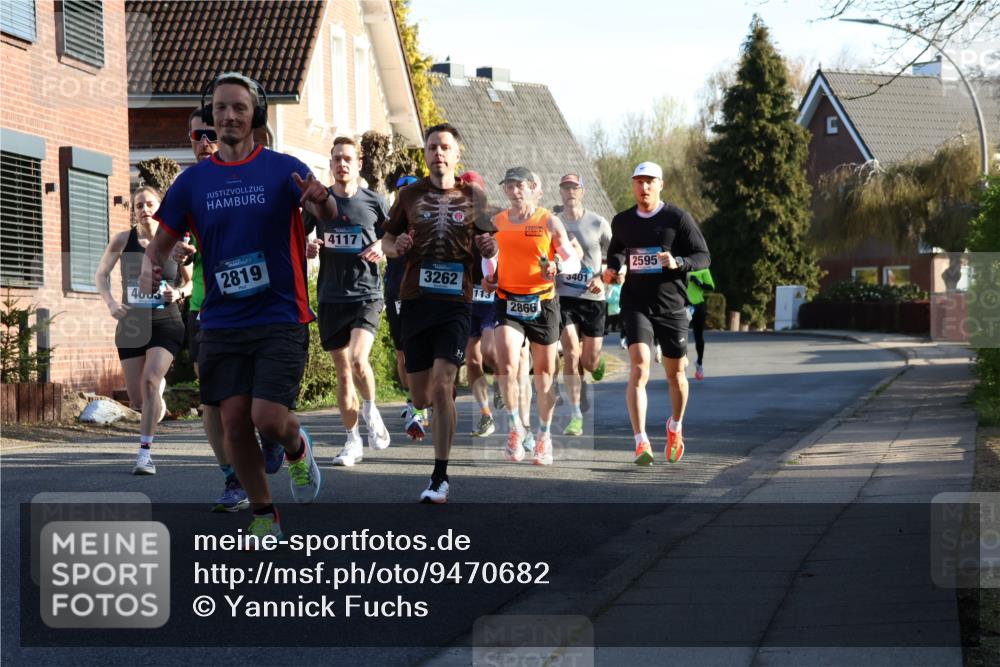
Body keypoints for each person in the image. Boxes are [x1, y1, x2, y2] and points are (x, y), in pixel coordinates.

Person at [143, 71, 336, 538]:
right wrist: (152, 264)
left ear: (256, 117)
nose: (227, 116)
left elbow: (326, 214)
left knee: (267, 418)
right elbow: (161, 241)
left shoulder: (282, 168)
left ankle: (295, 448)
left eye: (238, 108)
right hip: (223, 319)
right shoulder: (193, 182)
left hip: (279, 314)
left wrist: (322, 200)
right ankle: (263, 513)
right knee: (233, 423)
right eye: (220, 108)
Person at [381, 123, 496, 503]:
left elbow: (490, 245)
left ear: (456, 154)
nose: (438, 153)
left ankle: (440, 477)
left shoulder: (474, 197)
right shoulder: (410, 196)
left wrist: (488, 246)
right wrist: (398, 245)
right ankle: (433, 417)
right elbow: (387, 241)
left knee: (444, 383)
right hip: (416, 300)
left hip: (455, 304)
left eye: (445, 147)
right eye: (432, 147)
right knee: (421, 395)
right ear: (426, 154)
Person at [603, 162, 710, 466]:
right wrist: (613, 267)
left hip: (672, 306)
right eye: (638, 181)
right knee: (639, 368)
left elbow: (703, 256)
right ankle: (641, 442)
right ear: (633, 185)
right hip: (636, 303)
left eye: (650, 181)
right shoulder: (622, 221)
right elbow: (618, 250)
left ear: (660, 184)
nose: (644, 187)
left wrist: (678, 261)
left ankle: (675, 426)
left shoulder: (677, 218)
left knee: (676, 375)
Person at [178, 107, 256, 512]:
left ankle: (276, 437)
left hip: (254, 302)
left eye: (211, 133)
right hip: (205, 305)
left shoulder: (246, 177)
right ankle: (232, 479)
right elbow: (172, 240)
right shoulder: (186, 186)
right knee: (212, 400)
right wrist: (177, 251)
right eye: (197, 136)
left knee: (255, 401)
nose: (205, 142)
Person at [484, 167, 580, 467]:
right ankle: (515, 428)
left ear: (531, 187)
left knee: (543, 377)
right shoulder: (497, 222)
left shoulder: (548, 221)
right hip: (507, 300)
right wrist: (489, 276)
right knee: (508, 365)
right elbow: (491, 260)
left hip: (543, 302)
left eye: (519, 185)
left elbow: (572, 260)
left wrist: (557, 268)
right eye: (509, 186)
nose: (514, 191)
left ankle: (544, 435)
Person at [305, 137, 391, 467]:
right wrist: (308, 248)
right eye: (337, 158)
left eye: (348, 158)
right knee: (343, 374)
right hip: (330, 296)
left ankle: (370, 409)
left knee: (357, 360)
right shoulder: (318, 202)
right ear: (331, 164)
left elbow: (393, 236)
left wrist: (382, 246)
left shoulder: (374, 201)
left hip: (366, 293)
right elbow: (299, 238)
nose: (342, 163)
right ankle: (352, 441)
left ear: (358, 164)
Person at [96, 186, 190, 475]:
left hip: (166, 323)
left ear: (159, 206)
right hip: (132, 325)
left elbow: (191, 282)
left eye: (150, 204)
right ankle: (154, 399)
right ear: (133, 210)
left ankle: (144, 454)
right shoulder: (123, 240)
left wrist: (180, 293)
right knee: (139, 399)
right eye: (139, 205)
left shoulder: (175, 240)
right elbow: (101, 274)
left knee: (149, 381)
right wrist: (111, 302)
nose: (145, 209)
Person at [555, 173, 612, 436]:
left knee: (587, 361)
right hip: (564, 296)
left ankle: (594, 367)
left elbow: (616, 258)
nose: (570, 192)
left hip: (593, 298)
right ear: (560, 191)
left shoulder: (598, 222)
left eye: (574, 188)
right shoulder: (553, 222)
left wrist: (604, 279)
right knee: (570, 353)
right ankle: (575, 415)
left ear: (582, 191)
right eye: (565, 188)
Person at [460, 170, 499, 438]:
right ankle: (485, 413)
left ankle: (503, 380)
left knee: (489, 351)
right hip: (465, 296)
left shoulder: (496, 217)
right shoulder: (455, 220)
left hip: (492, 294)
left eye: (474, 190)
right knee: (472, 359)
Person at [384, 176, 422, 427]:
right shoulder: (391, 222)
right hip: (395, 292)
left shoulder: (426, 222)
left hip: (422, 293)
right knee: (402, 354)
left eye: (410, 190)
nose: (405, 194)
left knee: (421, 351)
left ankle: (423, 403)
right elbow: (381, 244)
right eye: (401, 191)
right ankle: (411, 400)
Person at [687, 267, 715, 381]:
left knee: (699, 337)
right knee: (680, 337)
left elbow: (711, 287)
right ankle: (680, 365)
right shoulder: (679, 266)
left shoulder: (703, 269)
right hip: (684, 306)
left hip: (698, 306)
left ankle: (699, 363)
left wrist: (698, 282)